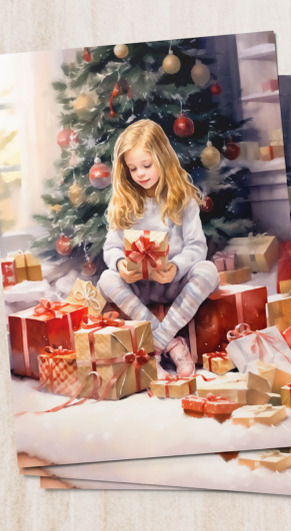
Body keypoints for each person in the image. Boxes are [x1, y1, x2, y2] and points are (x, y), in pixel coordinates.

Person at [97, 119, 220, 377]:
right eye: (132, 168)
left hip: (174, 282)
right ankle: (173, 343)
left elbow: (197, 246)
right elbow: (111, 248)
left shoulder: (183, 198)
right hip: (141, 287)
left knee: (208, 271)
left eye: (146, 165)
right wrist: (121, 264)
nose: (140, 173)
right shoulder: (124, 203)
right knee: (107, 279)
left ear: (162, 158)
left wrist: (175, 268)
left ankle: (157, 342)